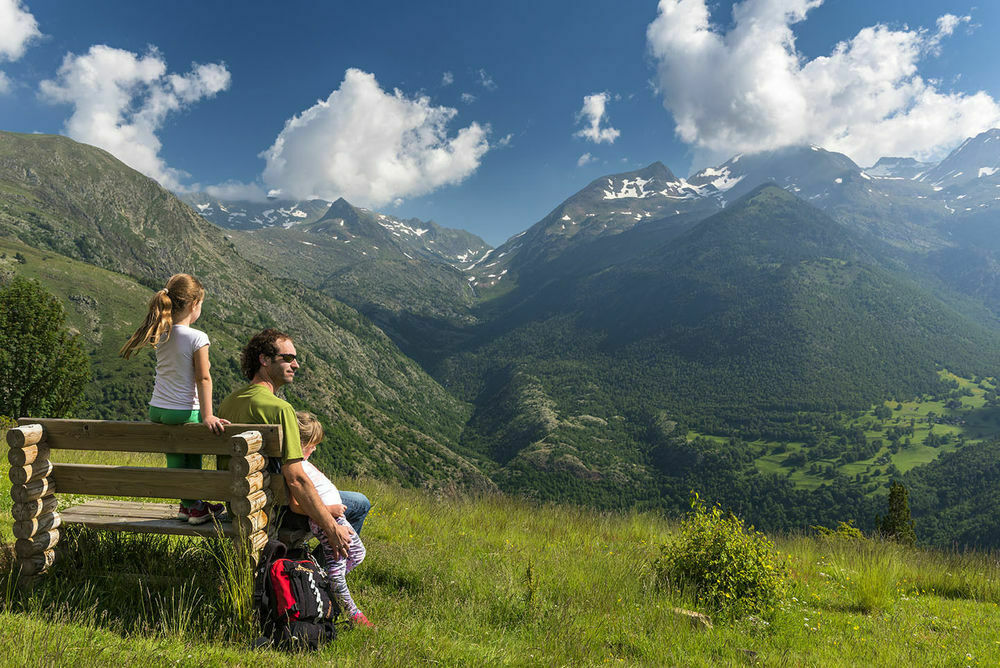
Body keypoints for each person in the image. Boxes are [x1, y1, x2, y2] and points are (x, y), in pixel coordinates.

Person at [217, 328, 371, 558]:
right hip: (273, 508)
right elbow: (296, 479)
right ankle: (320, 573)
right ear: (264, 360)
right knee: (359, 502)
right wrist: (331, 526)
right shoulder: (281, 409)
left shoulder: (228, 403)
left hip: (236, 505)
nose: (296, 365)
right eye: (288, 358)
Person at [120, 273, 230, 525]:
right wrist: (208, 415)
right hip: (183, 410)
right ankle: (195, 507)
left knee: (177, 456)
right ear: (194, 305)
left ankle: (189, 505)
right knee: (193, 457)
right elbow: (203, 379)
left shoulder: (161, 333)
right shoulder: (197, 338)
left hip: (158, 409)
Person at [292, 411, 372, 627]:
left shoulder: (299, 462)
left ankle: (322, 581)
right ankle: (352, 611)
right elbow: (297, 504)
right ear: (300, 443)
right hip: (327, 519)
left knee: (358, 553)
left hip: (333, 514)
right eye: (312, 445)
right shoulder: (294, 467)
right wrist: (330, 510)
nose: (315, 449)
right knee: (340, 568)